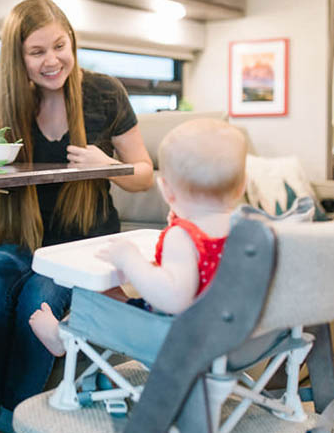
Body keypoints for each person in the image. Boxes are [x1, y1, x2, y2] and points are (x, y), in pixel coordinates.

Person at [0, 0, 154, 433]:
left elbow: (144, 174)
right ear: (18, 58)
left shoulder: (105, 93)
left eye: (59, 46)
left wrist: (107, 163)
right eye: (37, 52)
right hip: (21, 241)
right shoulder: (1, 96)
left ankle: (7, 432)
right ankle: (24, 431)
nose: (52, 60)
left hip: (85, 245)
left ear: (72, 43)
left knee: (38, 298)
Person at [29, 118, 248, 355]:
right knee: (108, 293)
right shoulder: (245, 229)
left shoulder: (183, 238)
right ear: (242, 186)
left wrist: (129, 259)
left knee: (90, 297)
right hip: (222, 333)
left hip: (178, 342)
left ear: (166, 190)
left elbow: (173, 298)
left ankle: (61, 336)